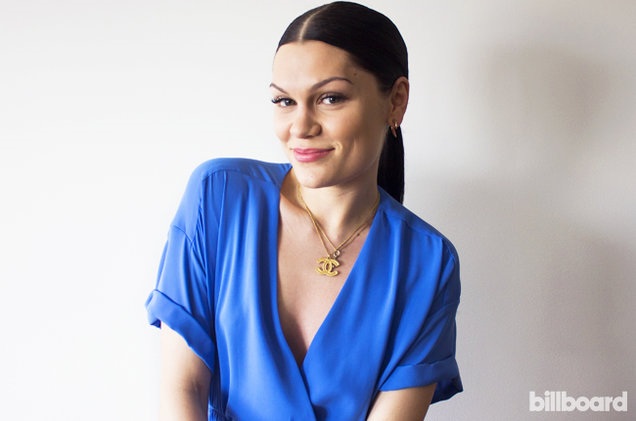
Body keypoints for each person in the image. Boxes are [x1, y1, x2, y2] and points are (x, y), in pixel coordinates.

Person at [145, 2, 462, 419]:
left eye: (330, 98)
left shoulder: (427, 262)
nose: (300, 126)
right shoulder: (219, 196)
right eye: (284, 101)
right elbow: (183, 388)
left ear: (396, 101)